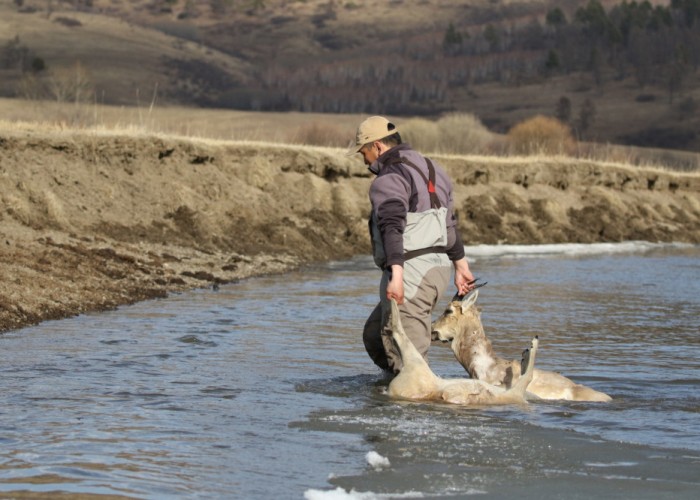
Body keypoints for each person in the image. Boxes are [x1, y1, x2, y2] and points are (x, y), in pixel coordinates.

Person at [347, 116, 476, 374]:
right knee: (376, 336)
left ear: (378, 147)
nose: (364, 160)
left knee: (408, 359)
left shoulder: (389, 178)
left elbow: (392, 226)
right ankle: (393, 391)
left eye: (364, 152)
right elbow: (448, 222)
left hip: (411, 272)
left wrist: (397, 274)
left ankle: (414, 404)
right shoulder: (434, 169)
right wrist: (460, 265)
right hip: (438, 270)